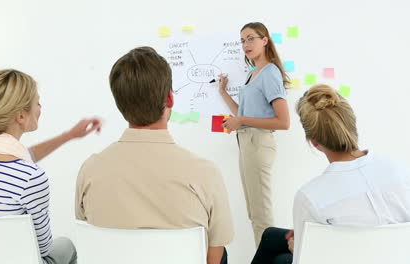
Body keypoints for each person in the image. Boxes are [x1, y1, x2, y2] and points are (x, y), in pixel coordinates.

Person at [75, 47, 234, 264]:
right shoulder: (205, 173)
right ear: (170, 99)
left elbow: (89, 238)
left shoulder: (90, 170)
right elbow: (214, 257)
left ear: (120, 104)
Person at [0, 69, 102, 264]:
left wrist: (69, 135)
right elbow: (44, 247)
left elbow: (19, 158)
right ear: (21, 116)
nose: (40, 107)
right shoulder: (31, 178)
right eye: (37, 102)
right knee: (65, 246)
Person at [252, 84, 410, 264]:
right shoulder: (398, 170)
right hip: (391, 256)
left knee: (281, 259)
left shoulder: (310, 196)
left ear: (314, 142)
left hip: (347, 257)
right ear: (352, 123)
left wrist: (296, 248)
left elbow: (304, 259)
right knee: (271, 236)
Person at [218, 22, 290, 246]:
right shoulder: (254, 74)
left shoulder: (269, 72)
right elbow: (242, 113)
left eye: (250, 38)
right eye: (242, 40)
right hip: (247, 143)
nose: (245, 44)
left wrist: (242, 121)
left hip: (258, 143)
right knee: (254, 212)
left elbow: (284, 122)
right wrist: (223, 92)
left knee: (261, 215)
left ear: (265, 40)